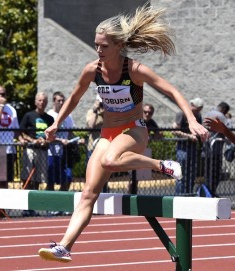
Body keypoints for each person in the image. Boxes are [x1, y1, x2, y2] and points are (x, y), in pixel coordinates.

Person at [38, 6, 209, 263]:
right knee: (88, 193)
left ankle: (161, 165)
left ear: (118, 45)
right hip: (108, 134)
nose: (98, 50)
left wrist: (193, 121)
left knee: (109, 161)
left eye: (104, 46)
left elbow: (172, 90)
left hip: (134, 131)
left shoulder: (135, 70)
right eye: (96, 45)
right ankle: (64, 247)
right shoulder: (92, 70)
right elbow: (74, 97)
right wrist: (56, 123)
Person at [19, 92, 54, 190]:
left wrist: (46, 141)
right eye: (40, 100)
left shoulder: (49, 119)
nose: (42, 103)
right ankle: (25, 194)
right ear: (35, 102)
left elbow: (52, 135)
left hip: (43, 150)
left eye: (44, 101)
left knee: (39, 177)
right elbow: (21, 132)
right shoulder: (28, 116)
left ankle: (34, 196)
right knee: (27, 175)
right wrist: (33, 140)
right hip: (31, 148)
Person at [172, 97, 204, 194]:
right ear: (192, 105)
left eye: (199, 109)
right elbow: (174, 131)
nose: (197, 111)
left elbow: (198, 128)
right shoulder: (181, 114)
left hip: (192, 146)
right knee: (181, 172)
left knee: (191, 173)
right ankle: (180, 195)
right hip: (182, 147)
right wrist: (188, 136)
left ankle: (189, 194)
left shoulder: (198, 116)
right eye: (196, 108)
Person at [47, 91, 76, 191]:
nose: (61, 103)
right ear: (54, 102)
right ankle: (49, 203)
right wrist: (60, 140)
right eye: (59, 100)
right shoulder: (49, 115)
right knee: (51, 180)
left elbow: (71, 132)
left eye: (63, 100)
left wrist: (75, 140)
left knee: (67, 179)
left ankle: (62, 202)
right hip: (52, 152)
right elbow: (47, 134)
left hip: (66, 152)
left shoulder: (68, 116)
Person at [203, 102, 231, 193]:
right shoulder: (221, 116)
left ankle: (207, 193)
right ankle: (211, 193)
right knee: (215, 173)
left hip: (206, 149)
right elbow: (227, 131)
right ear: (224, 110)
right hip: (216, 150)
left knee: (207, 173)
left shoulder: (207, 114)